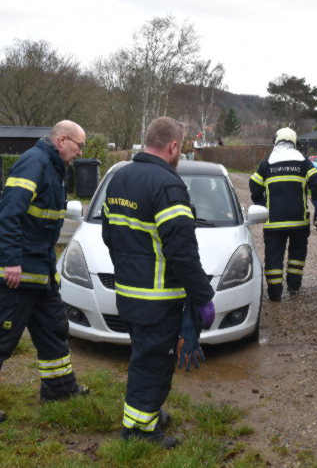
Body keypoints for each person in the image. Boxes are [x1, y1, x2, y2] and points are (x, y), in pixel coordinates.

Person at [0, 120, 90, 424]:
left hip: (40, 274)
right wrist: (10, 261)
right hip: (15, 276)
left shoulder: (53, 168)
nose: (80, 151)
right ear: (61, 140)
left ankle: (58, 388)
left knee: (54, 331)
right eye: (79, 145)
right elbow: (7, 216)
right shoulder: (34, 163)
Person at [102, 117, 215, 448]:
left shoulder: (120, 178)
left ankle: (147, 413)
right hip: (158, 298)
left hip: (128, 293)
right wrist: (202, 296)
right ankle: (139, 430)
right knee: (154, 365)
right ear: (174, 146)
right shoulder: (168, 186)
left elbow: (111, 236)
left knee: (143, 355)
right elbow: (182, 252)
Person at [249, 127, 317, 301]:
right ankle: (294, 286)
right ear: (293, 141)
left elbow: (253, 184)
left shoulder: (267, 163)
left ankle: (275, 293)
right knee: (297, 255)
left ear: (276, 140)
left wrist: (261, 204)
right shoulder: (303, 161)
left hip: (273, 222)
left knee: (273, 257)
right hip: (299, 222)